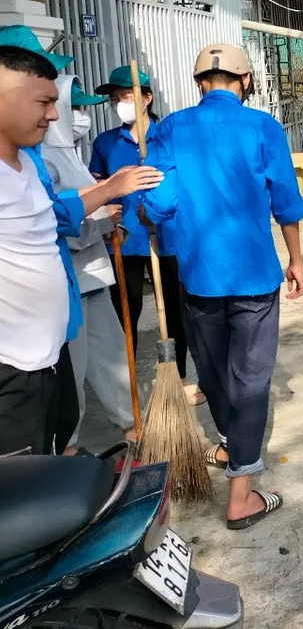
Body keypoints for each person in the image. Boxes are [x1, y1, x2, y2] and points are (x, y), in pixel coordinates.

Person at [142, 43, 303, 530]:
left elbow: (161, 202)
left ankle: (231, 445)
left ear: (199, 84)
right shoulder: (263, 127)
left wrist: (150, 216)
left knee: (214, 375)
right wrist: (296, 259)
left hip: (198, 276)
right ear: (247, 81)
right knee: (252, 381)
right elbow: (287, 201)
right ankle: (241, 496)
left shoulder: (169, 129)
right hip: (255, 276)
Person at [0, 28, 158, 456]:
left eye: (58, 103)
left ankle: (123, 429)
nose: (58, 114)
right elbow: (61, 221)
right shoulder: (41, 156)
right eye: (46, 102)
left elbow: (52, 214)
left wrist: (109, 207)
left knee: (98, 372)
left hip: (67, 308)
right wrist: (105, 201)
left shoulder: (32, 161)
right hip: (17, 359)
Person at [90, 66, 198, 405]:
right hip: (124, 242)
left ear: (146, 98)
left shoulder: (168, 139)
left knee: (176, 313)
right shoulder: (106, 143)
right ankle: (130, 388)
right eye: (114, 99)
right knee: (126, 315)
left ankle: (177, 377)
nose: (119, 104)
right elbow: (98, 188)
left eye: (124, 97)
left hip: (168, 239)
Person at [41, 76, 136, 450]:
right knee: (74, 373)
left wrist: (112, 224)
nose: (81, 115)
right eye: (75, 107)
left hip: (94, 275)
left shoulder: (70, 151)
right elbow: (55, 222)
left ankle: (133, 428)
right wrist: (99, 217)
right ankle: (68, 446)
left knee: (113, 359)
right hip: (70, 281)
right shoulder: (44, 158)